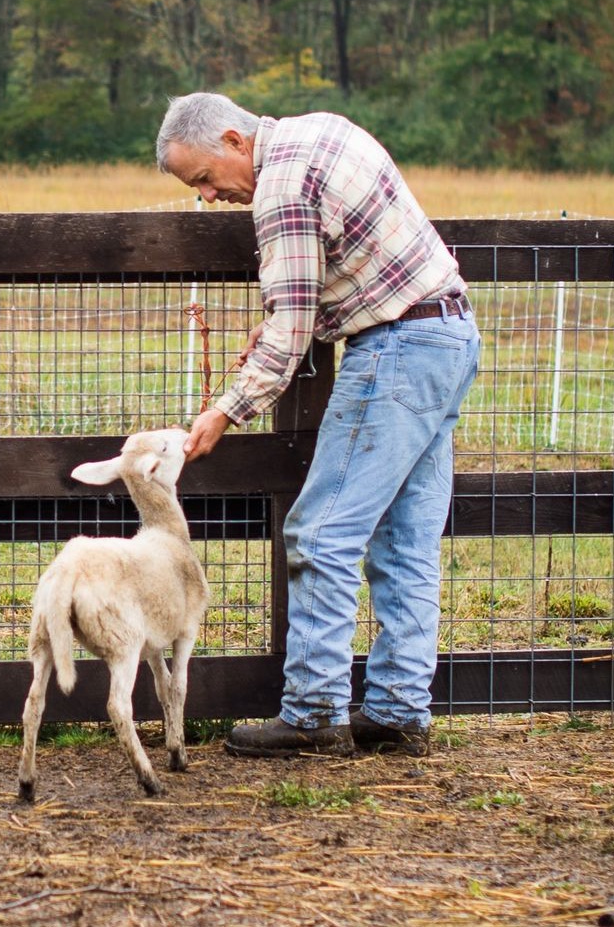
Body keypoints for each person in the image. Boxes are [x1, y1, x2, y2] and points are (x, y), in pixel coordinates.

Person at [155, 93, 479, 758]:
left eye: (206, 180)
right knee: (405, 541)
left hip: (397, 352)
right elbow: (337, 278)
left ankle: (314, 713)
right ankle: (397, 709)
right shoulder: (320, 134)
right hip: (448, 335)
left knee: (320, 533)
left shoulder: (279, 189)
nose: (211, 197)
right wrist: (285, 323)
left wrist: (224, 409)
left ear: (232, 141)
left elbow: (293, 322)